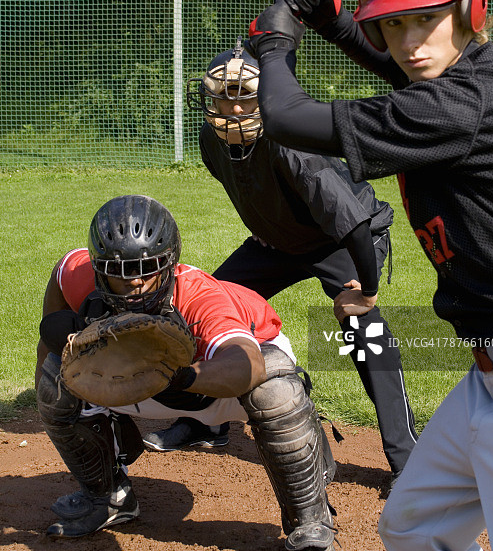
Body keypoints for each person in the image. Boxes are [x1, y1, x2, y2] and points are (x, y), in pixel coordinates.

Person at [245, 0, 493, 550]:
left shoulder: (461, 107)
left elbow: (288, 118)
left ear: (467, 7)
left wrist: (274, 45)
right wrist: (335, 24)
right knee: (412, 526)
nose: (409, 41)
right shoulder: (477, 81)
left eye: (426, 18)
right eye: (392, 23)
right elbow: (407, 77)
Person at [145, 39, 417, 485]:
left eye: (245, 98)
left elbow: (350, 224)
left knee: (363, 330)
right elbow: (248, 189)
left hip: (343, 240)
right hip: (279, 242)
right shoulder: (209, 140)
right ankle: (207, 422)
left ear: (266, 100)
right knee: (202, 308)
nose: (232, 111)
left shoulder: (293, 146)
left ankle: (408, 459)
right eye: (222, 98)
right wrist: (269, 225)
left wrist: (365, 291)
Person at [36, 194, 337, 550]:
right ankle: (109, 499)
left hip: (223, 381)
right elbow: (59, 284)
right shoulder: (79, 274)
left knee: (274, 386)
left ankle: (311, 521)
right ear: (100, 270)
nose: (136, 282)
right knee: (55, 379)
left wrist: (178, 375)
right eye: (123, 272)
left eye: (149, 268)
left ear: (171, 264)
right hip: (145, 382)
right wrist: (71, 397)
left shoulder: (198, 297)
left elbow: (248, 365)